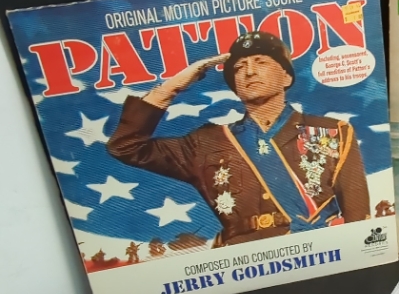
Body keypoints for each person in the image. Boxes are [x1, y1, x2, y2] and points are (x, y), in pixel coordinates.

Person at [107, 31, 370, 246]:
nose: (249, 72)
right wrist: (172, 87)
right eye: (239, 67)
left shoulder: (331, 132)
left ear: (286, 76)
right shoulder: (206, 142)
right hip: (242, 263)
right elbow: (125, 146)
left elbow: (358, 217)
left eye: (261, 62)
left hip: (317, 250)